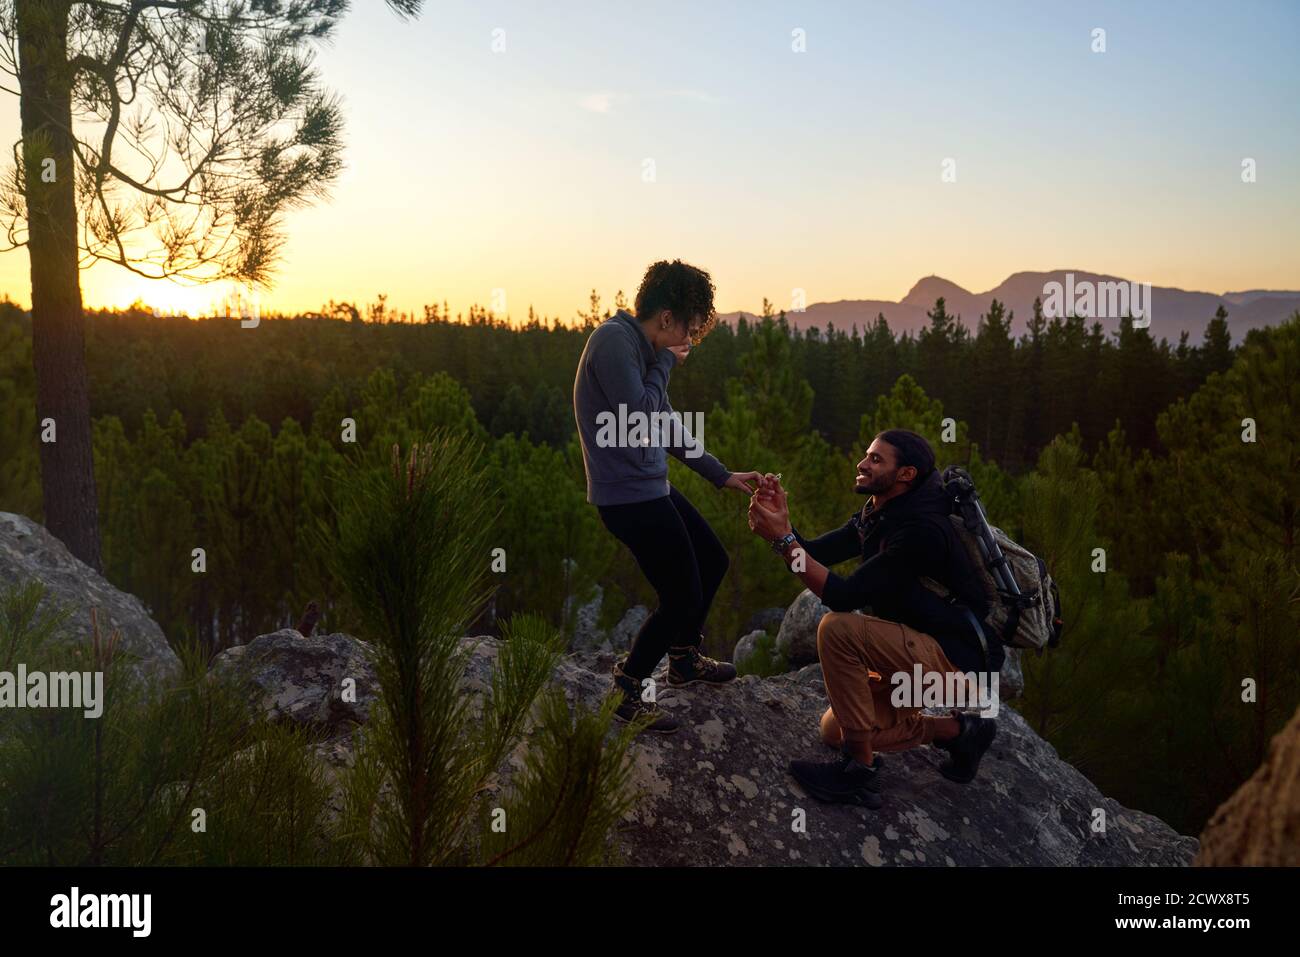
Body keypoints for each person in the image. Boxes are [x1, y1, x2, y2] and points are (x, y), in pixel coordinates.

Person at [747, 429, 1000, 808]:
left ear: (906, 474)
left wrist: (785, 541)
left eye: (876, 460)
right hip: (917, 653)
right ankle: (962, 731)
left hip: (957, 665)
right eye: (867, 455)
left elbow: (841, 596)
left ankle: (859, 773)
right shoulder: (881, 509)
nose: (862, 464)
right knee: (837, 730)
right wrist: (783, 526)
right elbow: (814, 554)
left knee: (836, 629)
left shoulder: (921, 529)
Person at [573, 260, 760, 734]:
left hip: (651, 487)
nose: (688, 343)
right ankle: (627, 689)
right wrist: (665, 365)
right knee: (680, 596)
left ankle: (682, 659)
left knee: (713, 561)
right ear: (665, 318)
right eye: (689, 331)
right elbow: (638, 414)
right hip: (627, 499)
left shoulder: (639, 347)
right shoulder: (615, 342)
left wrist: (720, 474)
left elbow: (664, 424)